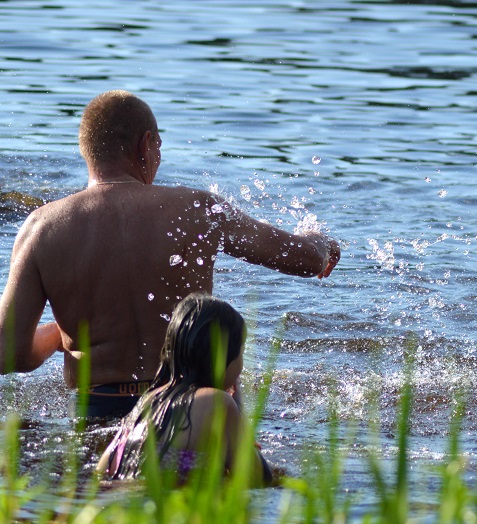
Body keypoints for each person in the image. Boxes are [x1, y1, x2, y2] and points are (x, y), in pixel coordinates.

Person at [0, 90, 340, 418]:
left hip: (96, 408)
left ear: (88, 152)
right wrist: (322, 243)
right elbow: (305, 259)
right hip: (190, 407)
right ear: (145, 145)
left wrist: (57, 336)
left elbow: (7, 354)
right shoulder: (196, 209)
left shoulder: (42, 227)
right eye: (159, 148)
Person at [96, 293, 276, 486]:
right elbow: (259, 478)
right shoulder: (218, 402)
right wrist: (239, 409)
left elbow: (103, 468)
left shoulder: (149, 399)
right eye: (241, 353)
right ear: (223, 355)